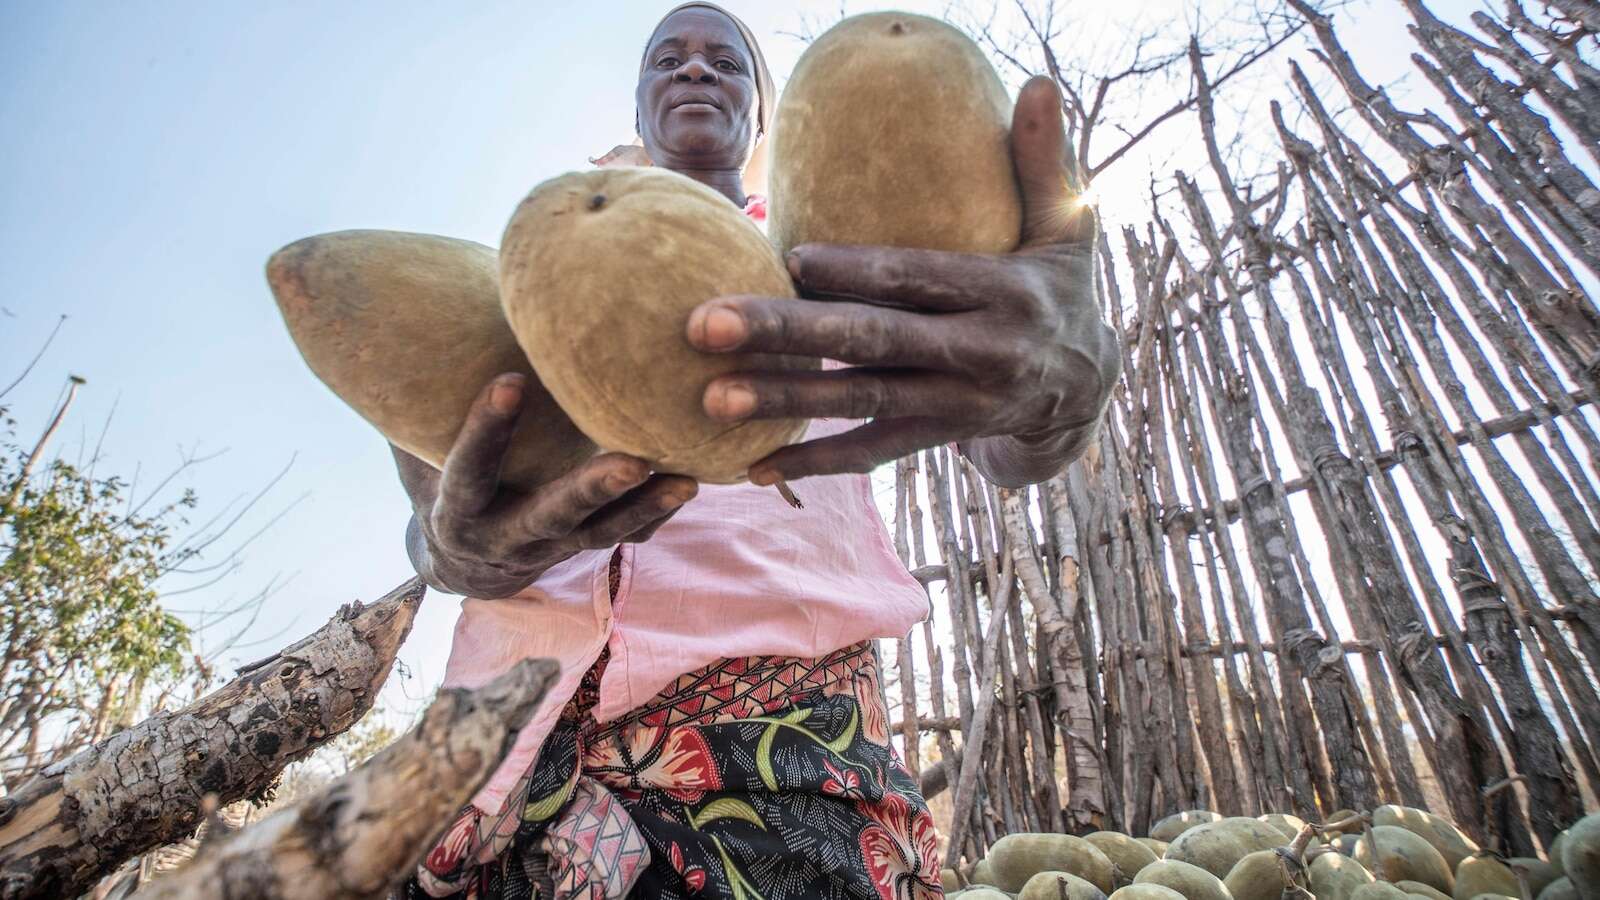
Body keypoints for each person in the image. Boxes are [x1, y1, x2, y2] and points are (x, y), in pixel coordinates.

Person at [392, 4, 1119, 898]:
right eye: (669, 55)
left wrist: (1056, 408)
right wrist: (448, 550)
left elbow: (1002, 444)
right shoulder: (532, 274)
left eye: (725, 60)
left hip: (783, 760)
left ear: (763, 115)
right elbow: (438, 529)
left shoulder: (838, 261)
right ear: (638, 100)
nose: (695, 69)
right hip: (484, 761)